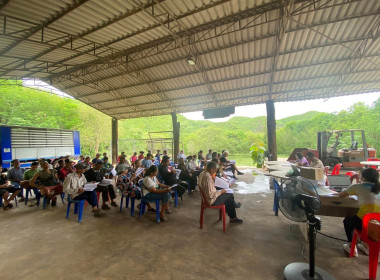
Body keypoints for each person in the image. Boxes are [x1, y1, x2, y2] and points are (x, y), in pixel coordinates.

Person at [338, 168, 380, 257]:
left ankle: (351, 246)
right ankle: (366, 246)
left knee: (348, 220)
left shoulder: (357, 186)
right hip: (378, 223)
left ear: (363, 177)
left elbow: (341, 195)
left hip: (364, 222)